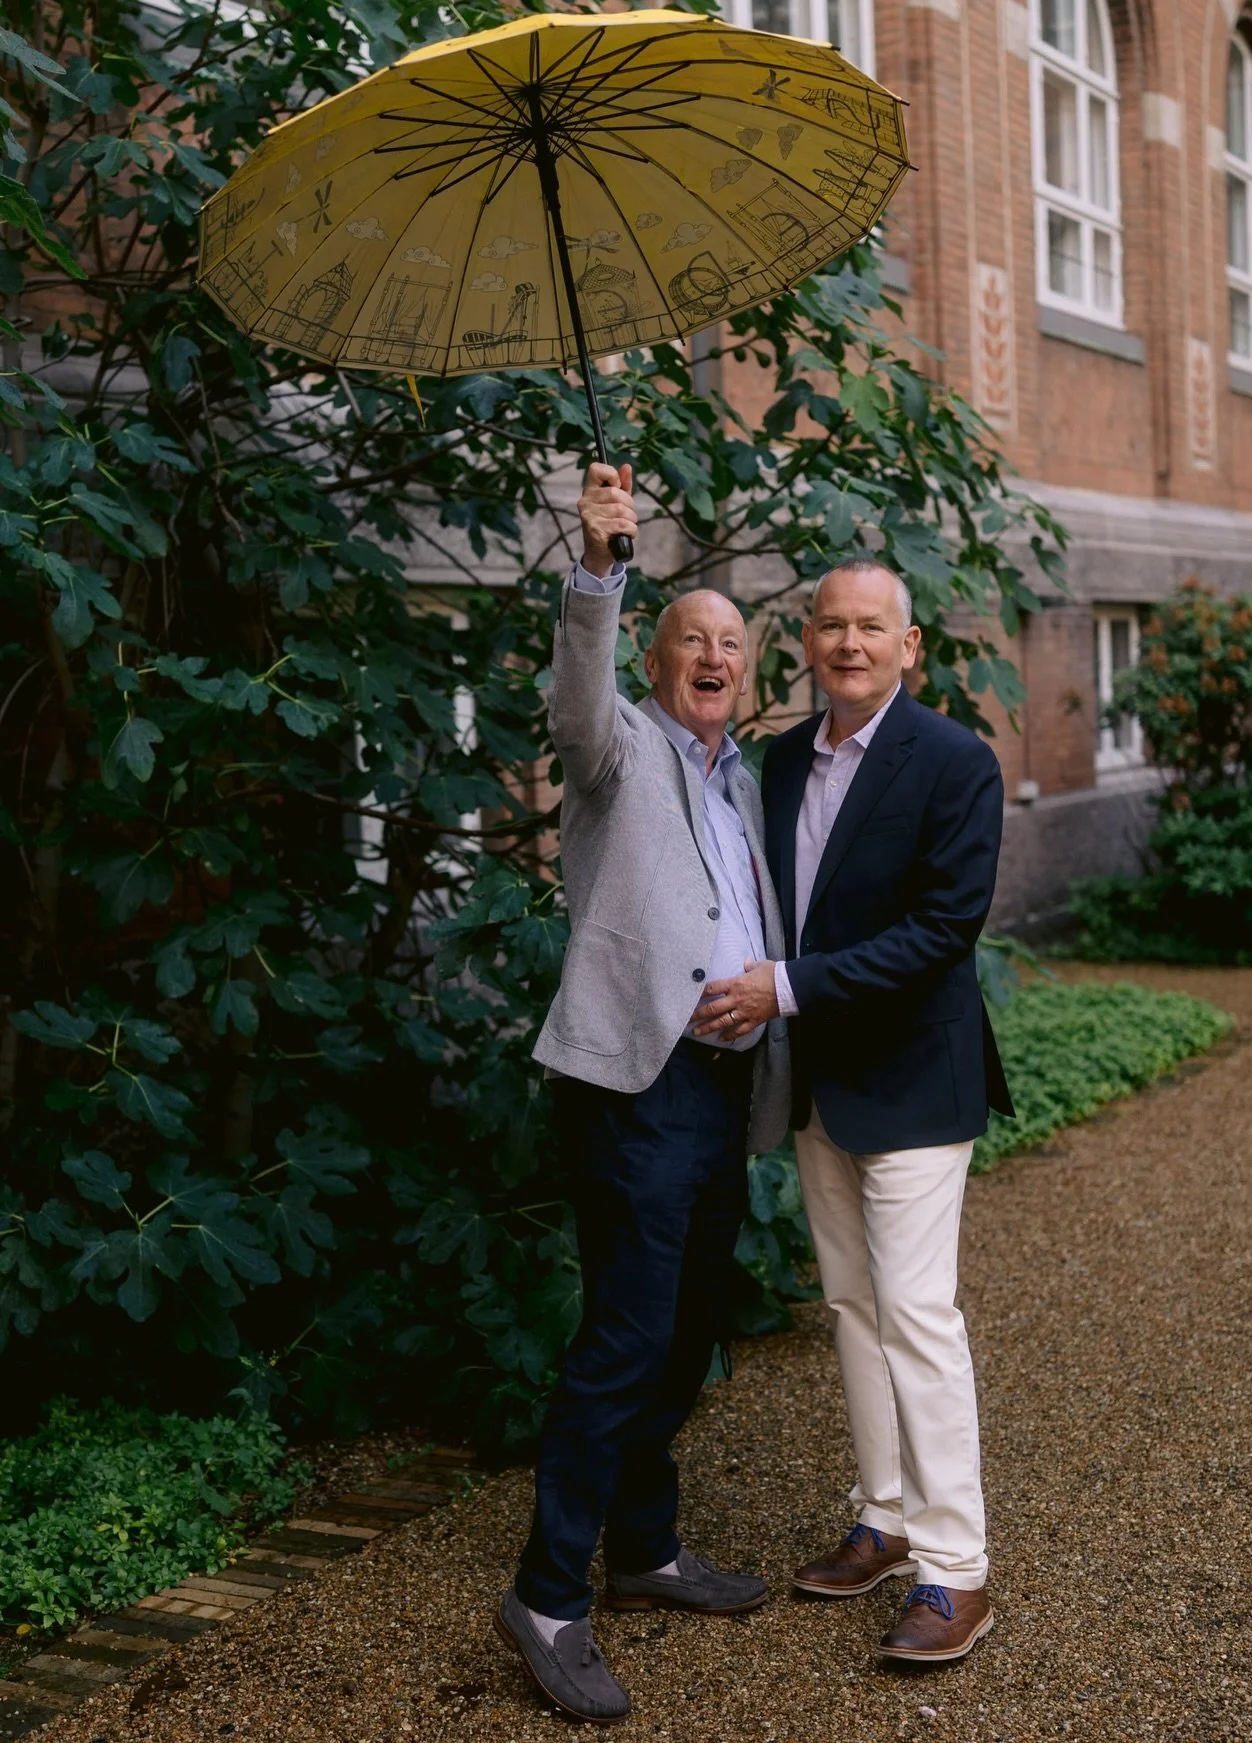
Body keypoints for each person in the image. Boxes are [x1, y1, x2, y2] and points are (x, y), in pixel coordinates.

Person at [495, 460, 791, 1725]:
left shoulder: (741, 779)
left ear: (746, 671)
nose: (712, 655)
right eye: (691, 639)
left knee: (685, 1333)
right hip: (634, 1084)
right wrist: (602, 566)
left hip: (722, 1087)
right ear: (656, 660)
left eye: (731, 642)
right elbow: (576, 699)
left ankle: (645, 1546)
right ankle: (547, 1597)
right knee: (624, 1338)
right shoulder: (616, 748)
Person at [694, 557, 1013, 1667]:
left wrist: (781, 986)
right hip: (819, 1082)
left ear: (908, 645)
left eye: (871, 626)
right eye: (830, 624)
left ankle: (957, 1570)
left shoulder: (957, 761)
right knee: (851, 1306)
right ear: (808, 641)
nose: (848, 642)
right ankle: (884, 1517)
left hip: (917, 1082)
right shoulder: (782, 760)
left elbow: (943, 931)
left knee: (918, 1313)